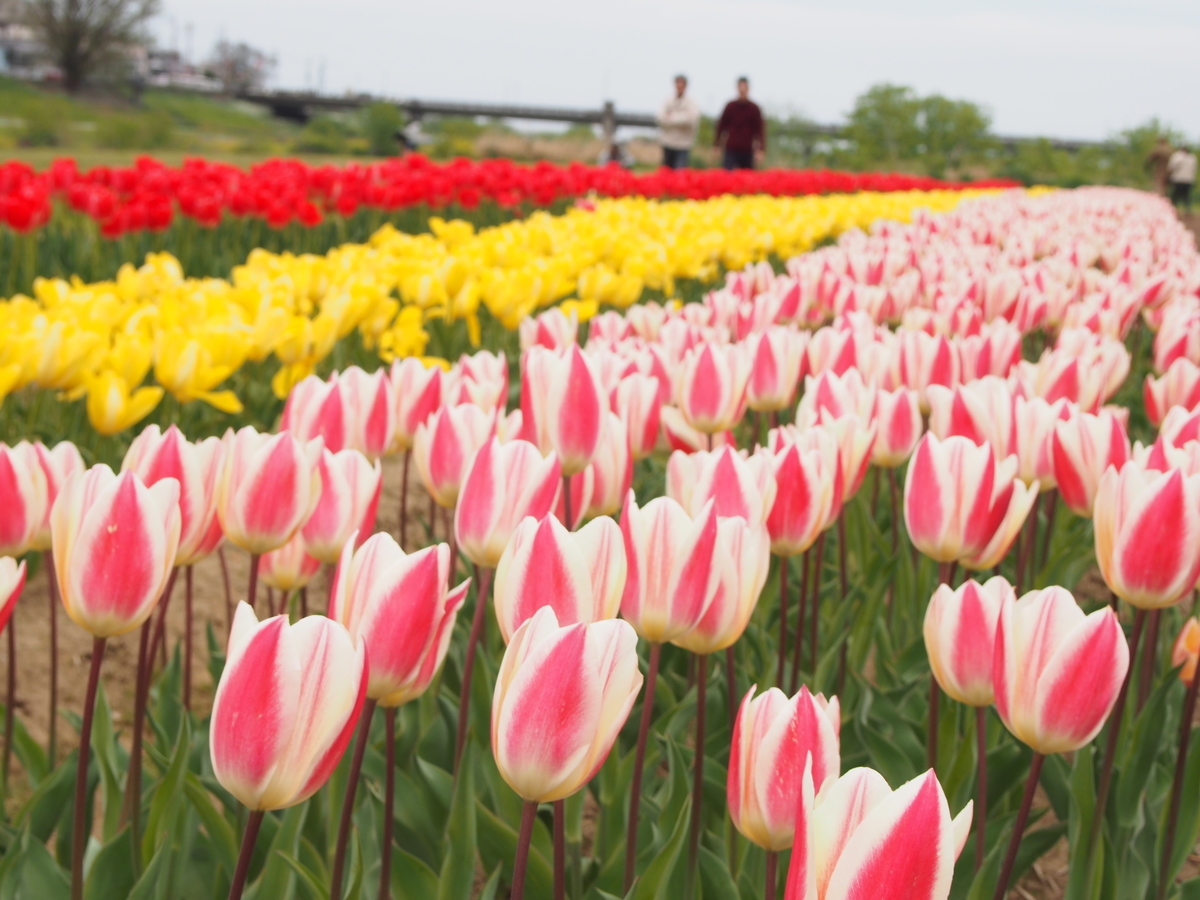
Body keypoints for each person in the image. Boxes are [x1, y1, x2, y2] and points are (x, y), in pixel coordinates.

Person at [715, 76, 765, 170]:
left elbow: (760, 130)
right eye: (740, 87)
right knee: (726, 177)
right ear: (737, 88)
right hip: (731, 148)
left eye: (744, 87)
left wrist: (761, 149)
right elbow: (721, 126)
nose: (742, 90)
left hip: (747, 149)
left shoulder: (754, 108)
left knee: (748, 179)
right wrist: (716, 145)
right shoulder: (730, 106)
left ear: (748, 89)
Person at [657, 74, 700, 169]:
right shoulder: (668, 100)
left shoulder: (691, 102)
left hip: (683, 144)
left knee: (680, 174)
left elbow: (691, 119)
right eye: (677, 84)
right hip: (668, 142)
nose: (679, 86)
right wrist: (681, 117)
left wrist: (671, 117)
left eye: (682, 84)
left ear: (686, 86)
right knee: (666, 173)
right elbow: (660, 118)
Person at [1168, 145, 1196, 212]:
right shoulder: (1192, 158)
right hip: (1188, 180)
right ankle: (1187, 209)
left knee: (1175, 195)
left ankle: (1173, 209)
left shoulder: (1176, 156)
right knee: (1186, 196)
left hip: (1178, 179)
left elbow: (1170, 168)